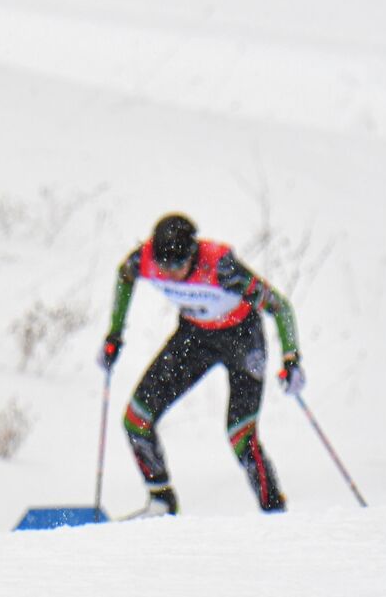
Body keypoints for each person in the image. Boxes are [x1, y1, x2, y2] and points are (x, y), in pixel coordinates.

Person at [98, 213, 303, 516]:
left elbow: (279, 306)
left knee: (240, 435)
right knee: (136, 420)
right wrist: (114, 334)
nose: (169, 275)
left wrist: (291, 359)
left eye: (177, 267)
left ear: (192, 254)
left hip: (242, 340)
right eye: (163, 267)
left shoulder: (221, 267)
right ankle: (162, 503)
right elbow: (124, 276)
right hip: (194, 338)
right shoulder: (145, 259)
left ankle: (274, 513)